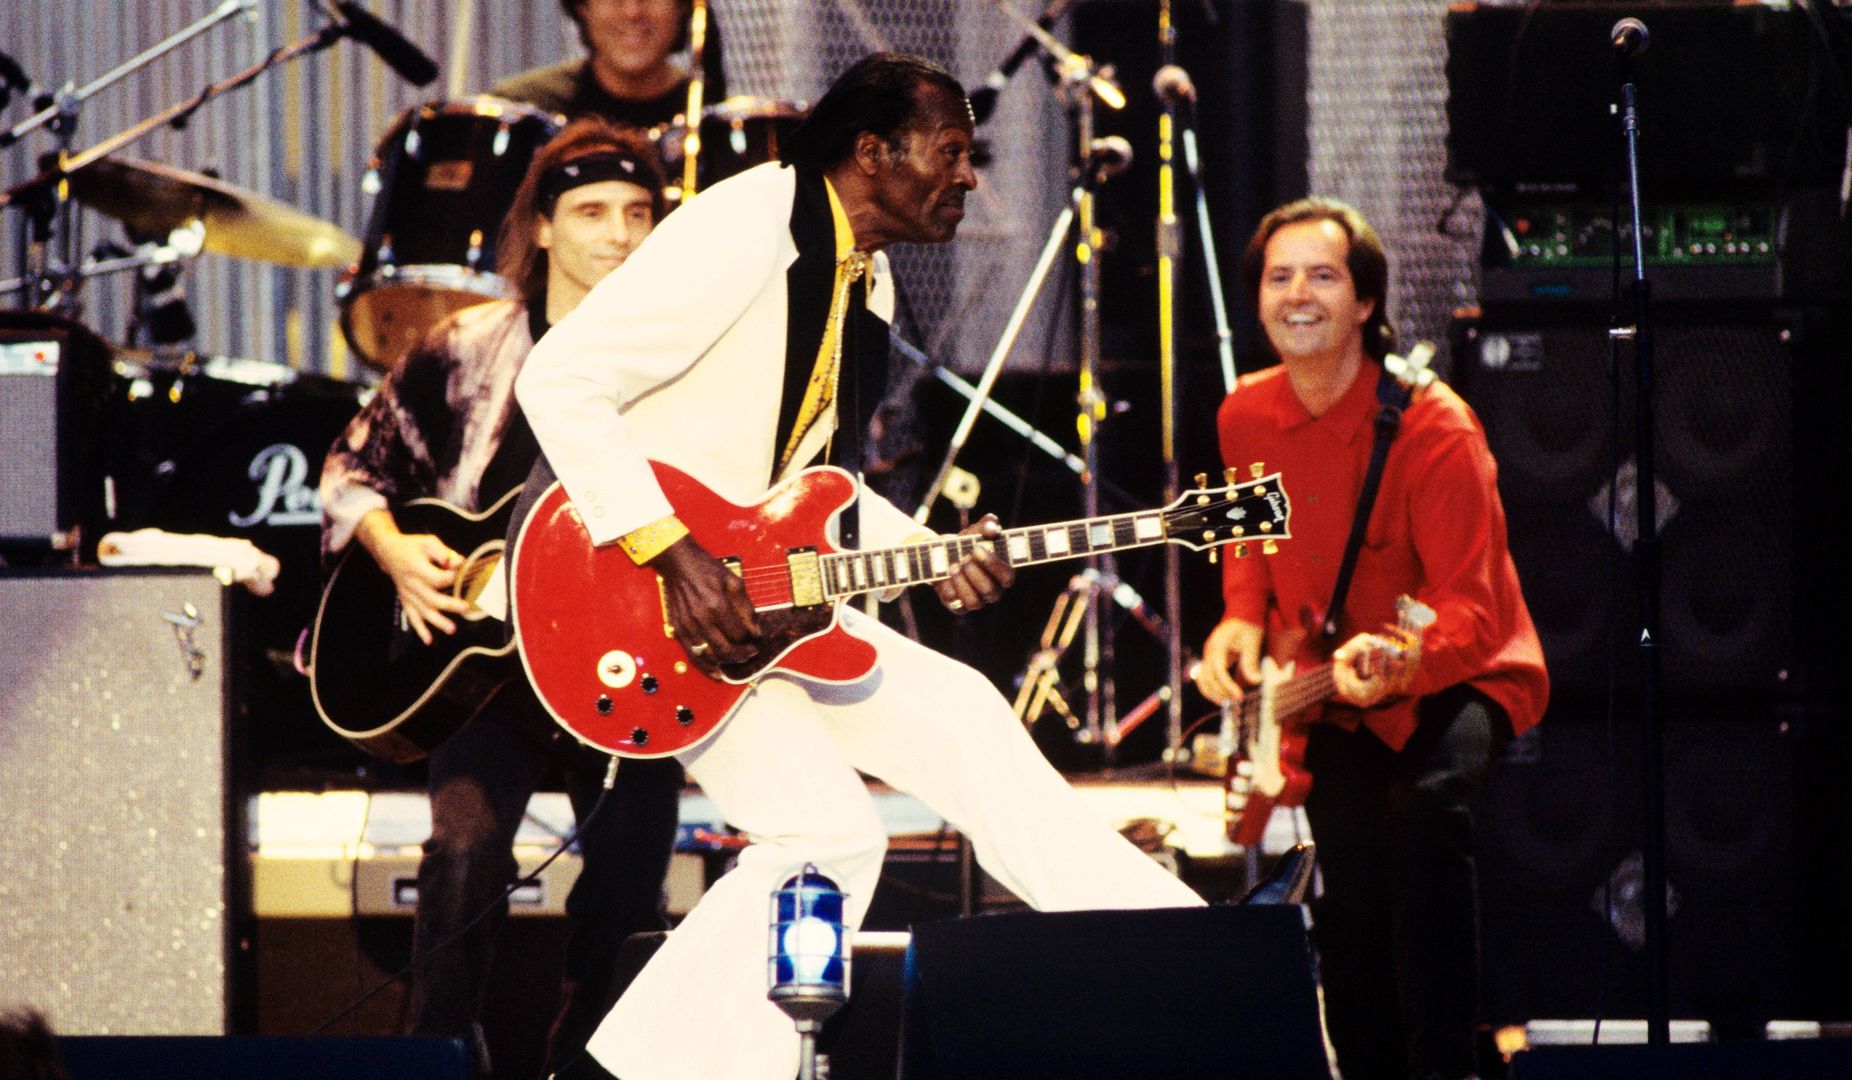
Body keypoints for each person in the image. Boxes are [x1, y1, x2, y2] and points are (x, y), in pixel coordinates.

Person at [512, 53, 1204, 1080]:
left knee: (929, 751)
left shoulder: (859, 276)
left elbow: (813, 491)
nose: (969, 179)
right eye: (953, 154)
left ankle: (1193, 964)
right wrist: (672, 552)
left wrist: (931, 557)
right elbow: (558, 377)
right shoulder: (745, 226)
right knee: (827, 835)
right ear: (871, 153)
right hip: (646, 597)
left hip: (756, 595)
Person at [318, 118, 684, 1078]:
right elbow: (353, 470)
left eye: (639, 213)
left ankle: (594, 1064)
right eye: (592, 211)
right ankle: (439, 1058)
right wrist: (395, 551)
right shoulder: (468, 344)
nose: (617, 233)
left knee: (631, 885)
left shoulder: (680, 364)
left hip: (618, 660)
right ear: (547, 227)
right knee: (465, 854)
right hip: (478, 670)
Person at [1193, 197, 1550, 1080]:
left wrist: (1402, 665)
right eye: (1279, 278)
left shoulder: (1435, 426)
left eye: (1323, 275)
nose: (1298, 295)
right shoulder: (1243, 415)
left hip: (1464, 671)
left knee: (1423, 811)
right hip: (1327, 677)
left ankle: (1452, 1065)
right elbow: (1248, 534)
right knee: (1346, 872)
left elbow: (1471, 607)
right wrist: (1241, 612)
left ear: (1364, 303)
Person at [491, 0, 705, 132]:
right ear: (582, 6)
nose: (633, 12)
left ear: (684, 5)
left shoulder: (709, 113)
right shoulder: (521, 109)